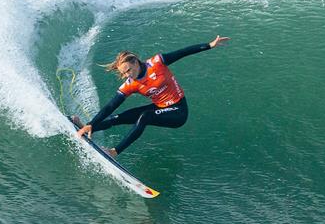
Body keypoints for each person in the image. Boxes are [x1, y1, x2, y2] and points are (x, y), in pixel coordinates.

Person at [75, 36, 230, 157]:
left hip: (178, 111)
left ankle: (114, 152)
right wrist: (92, 122)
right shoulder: (131, 84)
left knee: (145, 116)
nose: (126, 75)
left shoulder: (157, 63)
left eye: (128, 70)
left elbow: (183, 52)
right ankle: (86, 127)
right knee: (118, 117)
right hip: (160, 107)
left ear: (135, 62)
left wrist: (209, 45)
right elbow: (110, 106)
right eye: (123, 73)